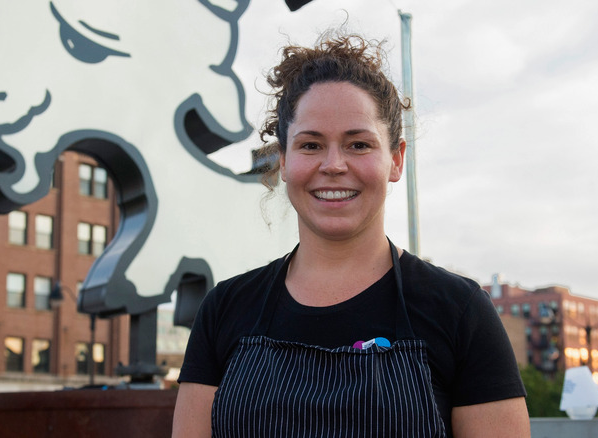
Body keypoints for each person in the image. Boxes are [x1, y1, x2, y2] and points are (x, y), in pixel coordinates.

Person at [172, 32, 530, 437]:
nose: (334, 165)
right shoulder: (225, 308)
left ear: (396, 160)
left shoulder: (461, 311)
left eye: (358, 144)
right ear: (285, 162)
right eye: (310, 145)